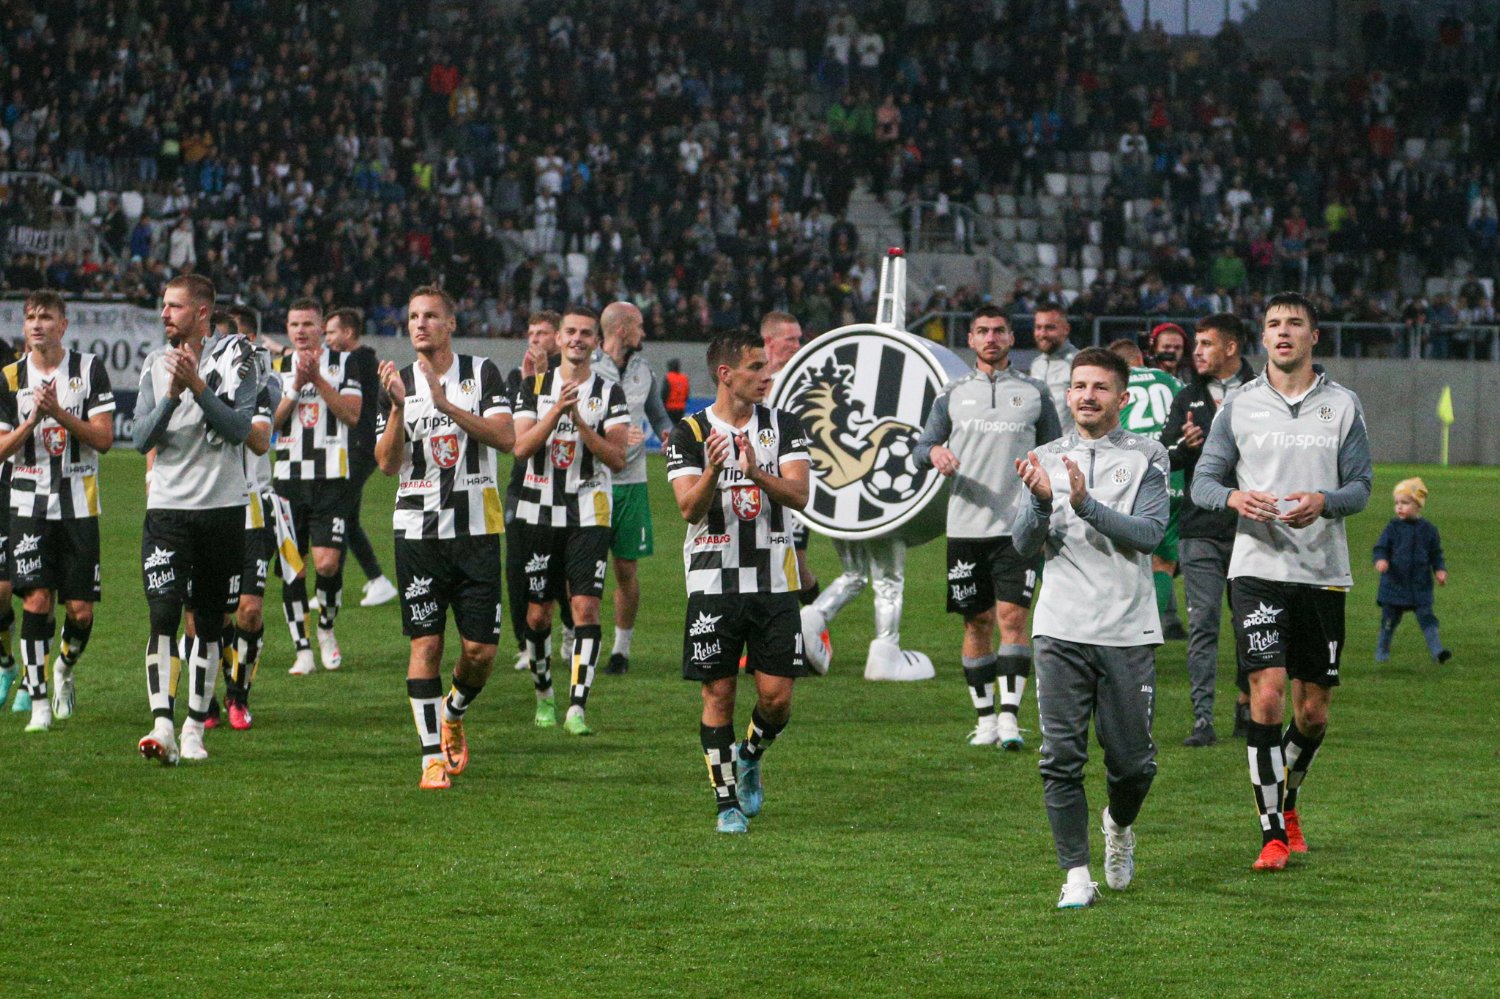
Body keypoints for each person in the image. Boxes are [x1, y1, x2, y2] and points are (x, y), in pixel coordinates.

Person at [1191, 291, 1372, 871]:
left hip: (1322, 572)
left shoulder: (1342, 405)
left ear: (1314, 336)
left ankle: (1288, 800)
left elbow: (1361, 487)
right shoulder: (1239, 405)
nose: (1284, 331)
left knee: (1312, 712)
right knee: (1265, 696)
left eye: (1295, 323)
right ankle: (1271, 833)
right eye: (1274, 324)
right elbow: (1203, 483)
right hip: (1257, 568)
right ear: (1263, 337)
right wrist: (1234, 498)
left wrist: (1324, 501)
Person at [1012, 346, 1170, 908]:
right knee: (1060, 757)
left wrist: (1084, 505)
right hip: (1060, 627)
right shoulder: (1044, 457)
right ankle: (1076, 877)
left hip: (1127, 630)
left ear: (1122, 397)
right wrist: (1039, 503)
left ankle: (1119, 826)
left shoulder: (1148, 455)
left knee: (1132, 765)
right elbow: (1022, 545)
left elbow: (1150, 534)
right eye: (1079, 385)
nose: (1087, 395)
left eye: (1100, 387)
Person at [664, 329, 812, 834]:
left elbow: (799, 495)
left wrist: (754, 472)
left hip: (775, 580)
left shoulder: (784, 425)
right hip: (713, 582)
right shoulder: (689, 432)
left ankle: (749, 754)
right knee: (718, 695)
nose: (766, 375)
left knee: (777, 698)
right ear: (726, 374)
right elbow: (689, 509)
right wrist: (714, 470)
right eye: (755, 367)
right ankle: (726, 803)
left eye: (766, 366)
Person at [375, 286, 515, 789]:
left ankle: (453, 712)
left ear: (451, 324)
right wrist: (398, 409)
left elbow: (506, 439)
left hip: (477, 530)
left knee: (480, 653)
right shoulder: (396, 381)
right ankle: (431, 758)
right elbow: (387, 464)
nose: (420, 324)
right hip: (418, 532)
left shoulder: (482, 373)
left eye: (431, 316)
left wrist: (444, 404)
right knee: (426, 643)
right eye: (414, 316)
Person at [913, 306, 1061, 749]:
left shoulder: (1034, 393)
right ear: (971, 340)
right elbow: (922, 447)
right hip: (965, 526)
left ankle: (1010, 719)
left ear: (1011, 337)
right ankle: (985, 720)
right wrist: (934, 454)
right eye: (982, 331)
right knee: (976, 622)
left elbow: (1054, 451)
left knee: (1012, 618)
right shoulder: (952, 393)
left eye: (999, 331)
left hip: (1018, 526)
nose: (991, 338)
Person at [133, 274, 258, 764]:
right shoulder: (154, 364)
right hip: (167, 509)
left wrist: (199, 388)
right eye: (164, 305)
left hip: (221, 508)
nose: (165, 313)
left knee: (208, 623)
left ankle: (193, 728)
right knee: (163, 613)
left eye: (175, 306)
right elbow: (141, 439)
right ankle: (162, 724)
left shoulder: (239, 356)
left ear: (202, 313)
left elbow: (240, 429)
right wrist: (171, 396)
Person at [0, 292, 115, 733]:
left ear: (63, 325)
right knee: (36, 600)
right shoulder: (9, 377)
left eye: (46, 317)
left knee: (81, 611)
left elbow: (103, 439)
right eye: (30, 317)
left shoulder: (89, 369)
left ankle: (64, 668)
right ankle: (39, 703)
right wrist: (31, 421)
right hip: (28, 504)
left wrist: (59, 413)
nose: (37, 324)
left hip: (79, 505)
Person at [512, 306, 629, 735]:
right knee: (538, 616)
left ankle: (577, 707)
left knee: (585, 607)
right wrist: (556, 411)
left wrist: (579, 420)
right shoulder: (533, 387)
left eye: (585, 333)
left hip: (589, 511)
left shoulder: (610, 393)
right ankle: (544, 694)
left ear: (596, 342)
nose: (577, 339)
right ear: (558, 339)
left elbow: (617, 458)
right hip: (538, 510)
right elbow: (520, 448)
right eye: (571, 332)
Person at [1160, 313, 1257, 747]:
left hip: (1252, 528)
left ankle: (1246, 705)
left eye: (1205, 343)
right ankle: (1202, 719)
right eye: (1195, 343)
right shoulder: (1187, 397)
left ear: (1231, 347)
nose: (1195, 351)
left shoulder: (1262, 392)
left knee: (1249, 624)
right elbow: (1166, 454)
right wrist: (1185, 447)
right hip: (1199, 527)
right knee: (1202, 624)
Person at [271, 298, 363, 675]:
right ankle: (303, 649)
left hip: (331, 478)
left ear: (321, 327)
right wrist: (296, 385)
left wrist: (318, 381)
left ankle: (325, 627)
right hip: (288, 479)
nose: (301, 331)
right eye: (294, 324)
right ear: (288, 328)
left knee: (327, 563)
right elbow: (271, 422)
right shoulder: (277, 367)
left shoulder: (344, 363)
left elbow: (352, 415)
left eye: (308, 324)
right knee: (294, 569)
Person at [203, 307, 282, 731]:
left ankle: (239, 694)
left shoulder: (260, 387)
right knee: (211, 616)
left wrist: (215, 407)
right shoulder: (192, 384)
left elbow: (259, 441)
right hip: (208, 506)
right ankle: (208, 698)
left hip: (252, 508)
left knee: (249, 611)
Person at [593, 301, 674, 675]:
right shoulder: (586, 367)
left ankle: (620, 651)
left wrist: (669, 435)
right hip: (591, 481)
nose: (645, 332)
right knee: (580, 571)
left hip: (633, 482)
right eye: (639, 326)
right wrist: (611, 435)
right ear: (622, 329)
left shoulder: (644, 370)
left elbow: (658, 415)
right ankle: (576, 638)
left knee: (626, 569)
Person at [1108, 338, 1187, 641]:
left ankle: (1114, 630)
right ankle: (1143, 634)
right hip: (1171, 473)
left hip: (1127, 473)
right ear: (1141, 358)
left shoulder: (1113, 383)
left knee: (1119, 557)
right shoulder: (1170, 381)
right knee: (1163, 562)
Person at [502, 311, 569, 671]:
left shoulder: (571, 377)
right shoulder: (517, 378)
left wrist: (543, 380)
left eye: (542, 333)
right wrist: (531, 382)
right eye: (531, 333)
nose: (534, 339)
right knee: (517, 567)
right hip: (523, 484)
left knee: (564, 568)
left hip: (565, 486)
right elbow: (517, 436)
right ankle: (526, 644)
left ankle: (571, 627)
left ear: (558, 337)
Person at [324, 307, 397, 608]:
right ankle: (377, 581)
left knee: (337, 512)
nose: (327, 339)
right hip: (358, 446)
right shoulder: (362, 359)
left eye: (331, 332)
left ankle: (334, 589)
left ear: (348, 332)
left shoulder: (358, 361)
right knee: (348, 518)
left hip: (360, 446)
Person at [1373, 477, 1451, 664]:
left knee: (1427, 618)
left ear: (1418, 505)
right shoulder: (1392, 528)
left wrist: (1440, 570)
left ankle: (1437, 652)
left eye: (1405, 503)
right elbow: (1381, 548)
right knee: (1389, 621)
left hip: (1419, 586)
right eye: (1397, 503)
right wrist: (1381, 560)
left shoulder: (1429, 530)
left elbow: (1436, 554)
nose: (1399, 507)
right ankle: (1382, 652)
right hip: (1394, 585)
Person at [1029, 303, 1078, 431]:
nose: (1042, 334)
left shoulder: (1080, 364)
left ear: (1066, 329)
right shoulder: (1036, 364)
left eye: (1050, 328)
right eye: (1038, 327)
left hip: (1070, 442)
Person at [662, 358, 690, 425]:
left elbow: (664, 393)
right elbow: (687, 394)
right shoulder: (684, 378)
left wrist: (663, 404)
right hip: (681, 408)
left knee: (670, 426)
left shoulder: (669, 377)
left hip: (670, 407)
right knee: (678, 426)